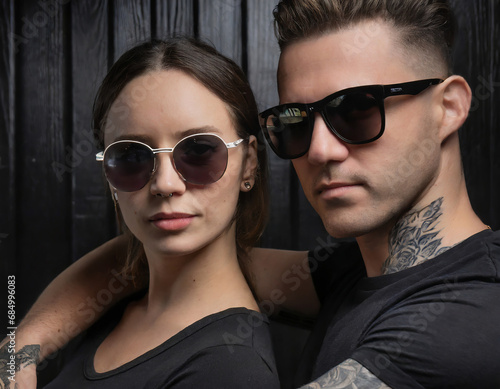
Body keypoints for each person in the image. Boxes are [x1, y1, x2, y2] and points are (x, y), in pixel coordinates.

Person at [3, 0, 500, 388]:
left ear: (449, 107)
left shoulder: (466, 322)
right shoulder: (361, 274)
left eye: (357, 111)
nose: (321, 150)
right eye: (297, 122)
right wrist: (21, 348)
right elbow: (150, 252)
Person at [1, 37, 281, 388]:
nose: (165, 183)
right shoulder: (116, 305)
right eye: (131, 156)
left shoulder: (231, 369)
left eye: (198, 151)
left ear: (249, 164)